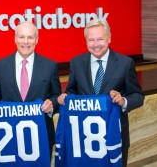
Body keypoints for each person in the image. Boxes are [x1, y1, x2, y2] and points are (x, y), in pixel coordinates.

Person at [57, 19, 144, 167]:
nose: (96, 44)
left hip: (114, 136)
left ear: (109, 38)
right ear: (86, 41)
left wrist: (123, 101)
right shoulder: (76, 63)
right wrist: (66, 97)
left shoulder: (125, 63)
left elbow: (138, 96)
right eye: (91, 40)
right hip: (84, 137)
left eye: (100, 39)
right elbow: (72, 90)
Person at [0, 21, 61, 159]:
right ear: (15, 38)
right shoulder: (1, 65)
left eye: (30, 37)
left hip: (41, 134)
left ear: (37, 39)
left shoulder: (50, 66)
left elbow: (56, 96)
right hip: (10, 135)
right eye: (22, 37)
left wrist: (51, 105)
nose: (26, 42)